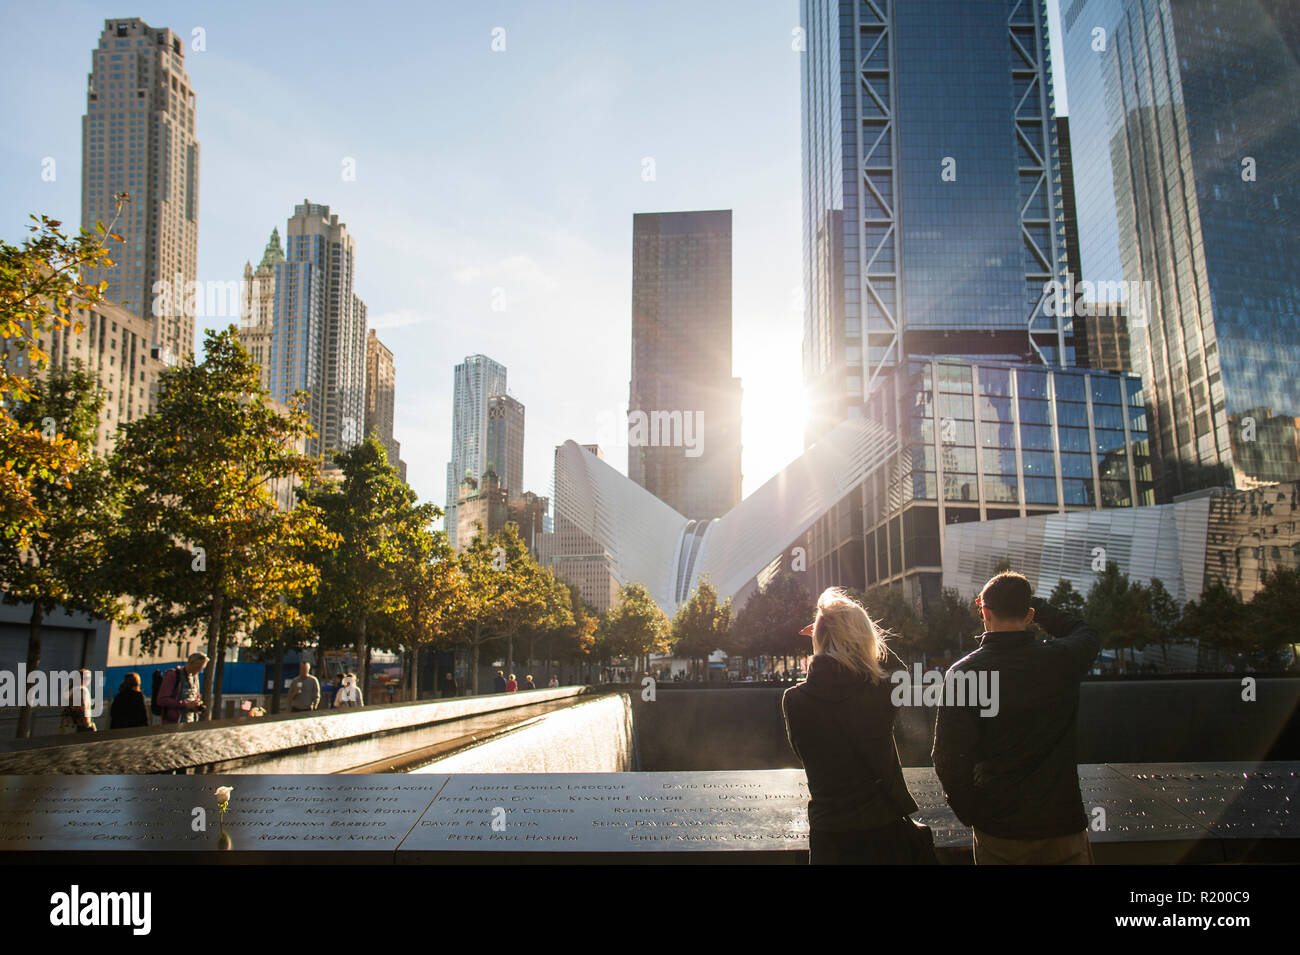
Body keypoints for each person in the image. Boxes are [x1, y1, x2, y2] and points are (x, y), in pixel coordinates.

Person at [932, 571, 1101, 865]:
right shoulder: (1063, 659)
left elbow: (948, 759)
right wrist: (1029, 602)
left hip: (1000, 832)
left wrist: (973, 813)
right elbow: (1085, 631)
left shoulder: (964, 674)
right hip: (1063, 827)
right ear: (1029, 614)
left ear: (983, 610)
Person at [782, 588, 931, 864]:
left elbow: (802, 754)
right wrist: (856, 635)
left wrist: (825, 633)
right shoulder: (880, 689)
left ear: (818, 637)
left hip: (830, 832)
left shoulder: (794, 700)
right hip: (882, 826)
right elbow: (899, 671)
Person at [158, 653, 208, 724]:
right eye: (199, 667)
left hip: (191, 722)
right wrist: (184, 705)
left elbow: (196, 696)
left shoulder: (195, 677)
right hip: (174, 723)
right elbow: (162, 700)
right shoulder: (173, 675)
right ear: (192, 663)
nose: (201, 671)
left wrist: (197, 705)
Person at [60, 668, 98, 733]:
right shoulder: (83, 691)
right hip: (81, 725)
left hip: (68, 723)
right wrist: (89, 724)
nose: (89, 680)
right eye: (87, 678)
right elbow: (84, 709)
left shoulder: (69, 688)